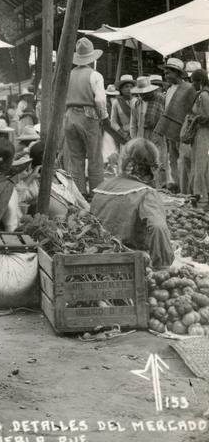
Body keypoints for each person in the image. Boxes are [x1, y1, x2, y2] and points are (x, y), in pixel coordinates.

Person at [91, 138, 174, 269]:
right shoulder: (146, 194)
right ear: (153, 168)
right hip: (131, 264)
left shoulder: (103, 187)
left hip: (96, 259)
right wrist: (162, 266)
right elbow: (158, 228)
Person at [64, 37, 107, 197]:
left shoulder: (68, 75)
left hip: (69, 115)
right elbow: (100, 100)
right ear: (92, 57)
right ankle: (97, 192)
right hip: (88, 115)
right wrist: (103, 117)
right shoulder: (95, 75)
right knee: (95, 156)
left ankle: (79, 192)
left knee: (75, 157)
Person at [154, 57, 196, 194]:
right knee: (173, 159)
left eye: (168, 73)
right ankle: (178, 187)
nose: (165, 76)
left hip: (183, 130)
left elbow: (192, 109)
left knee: (185, 160)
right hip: (170, 130)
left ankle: (188, 190)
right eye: (165, 73)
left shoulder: (188, 89)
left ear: (177, 73)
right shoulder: (170, 89)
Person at [130, 76, 167, 189]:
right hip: (142, 137)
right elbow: (134, 124)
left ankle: (160, 187)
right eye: (140, 93)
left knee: (159, 162)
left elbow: (165, 119)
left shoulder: (161, 100)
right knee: (143, 163)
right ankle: (146, 187)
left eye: (145, 93)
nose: (142, 95)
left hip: (157, 136)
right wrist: (134, 139)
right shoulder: (136, 104)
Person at [188, 69, 209, 207]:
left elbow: (207, 117)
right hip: (200, 133)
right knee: (199, 163)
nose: (192, 85)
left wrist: (194, 118)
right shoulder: (201, 94)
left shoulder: (204, 96)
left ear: (200, 81)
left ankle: (201, 196)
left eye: (194, 81)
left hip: (203, 133)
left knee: (201, 164)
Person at [110, 74, 134, 145]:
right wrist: (122, 133)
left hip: (137, 134)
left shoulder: (137, 101)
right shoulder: (116, 102)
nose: (129, 89)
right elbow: (113, 122)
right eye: (126, 87)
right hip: (124, 135)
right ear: (121, 89)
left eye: (131, 87)